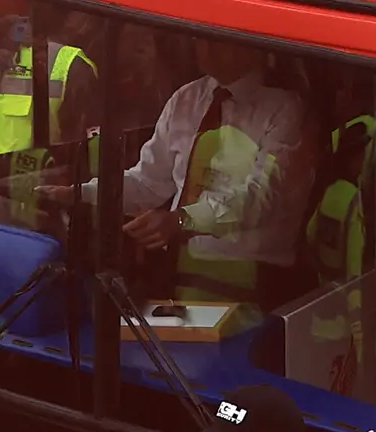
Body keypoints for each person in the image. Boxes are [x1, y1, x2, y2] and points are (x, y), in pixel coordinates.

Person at [119, 37, 311, 297]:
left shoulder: (286, 108)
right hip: (175, 275)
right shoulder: (186, 98)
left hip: (247, 284)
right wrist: (78, 193)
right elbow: (149, 182)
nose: (206, 47)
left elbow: (261, 198)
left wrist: (181, 220)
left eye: (219, 40)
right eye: (200, 38)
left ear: (251, 45)